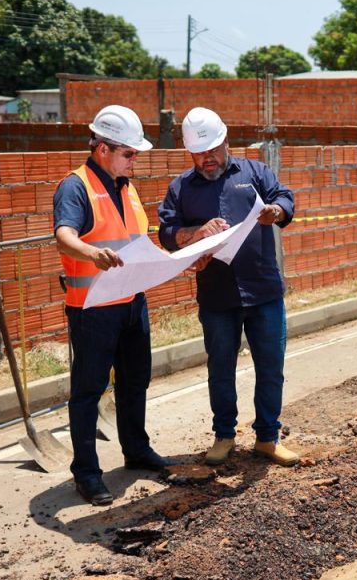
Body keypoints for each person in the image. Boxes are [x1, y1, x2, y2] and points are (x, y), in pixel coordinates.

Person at [158, 107, 299, 467]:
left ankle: (268, 438)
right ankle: (224, 436)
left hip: (263, 291)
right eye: (199, 154)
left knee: (271, 366)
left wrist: (276, 211)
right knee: (220, 368)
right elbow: (167, 233)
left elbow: (285, 196)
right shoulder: (181, 189)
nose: (207, 159)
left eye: (213, 151)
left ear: (226, 141)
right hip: (217, 295)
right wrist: (194, 234)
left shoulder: (255, 173)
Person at [53, 105, 172, 506]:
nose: (134, 160)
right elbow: (64, 236)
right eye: (129, 153)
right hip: (92, 309)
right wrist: (91, 253)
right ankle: (86, 472)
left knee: (135, 380)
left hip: (132, 303)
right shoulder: (76, 187)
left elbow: (134, 239)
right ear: (103, 148)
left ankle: (135, 449)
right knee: (88, 391)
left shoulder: (127, 186)